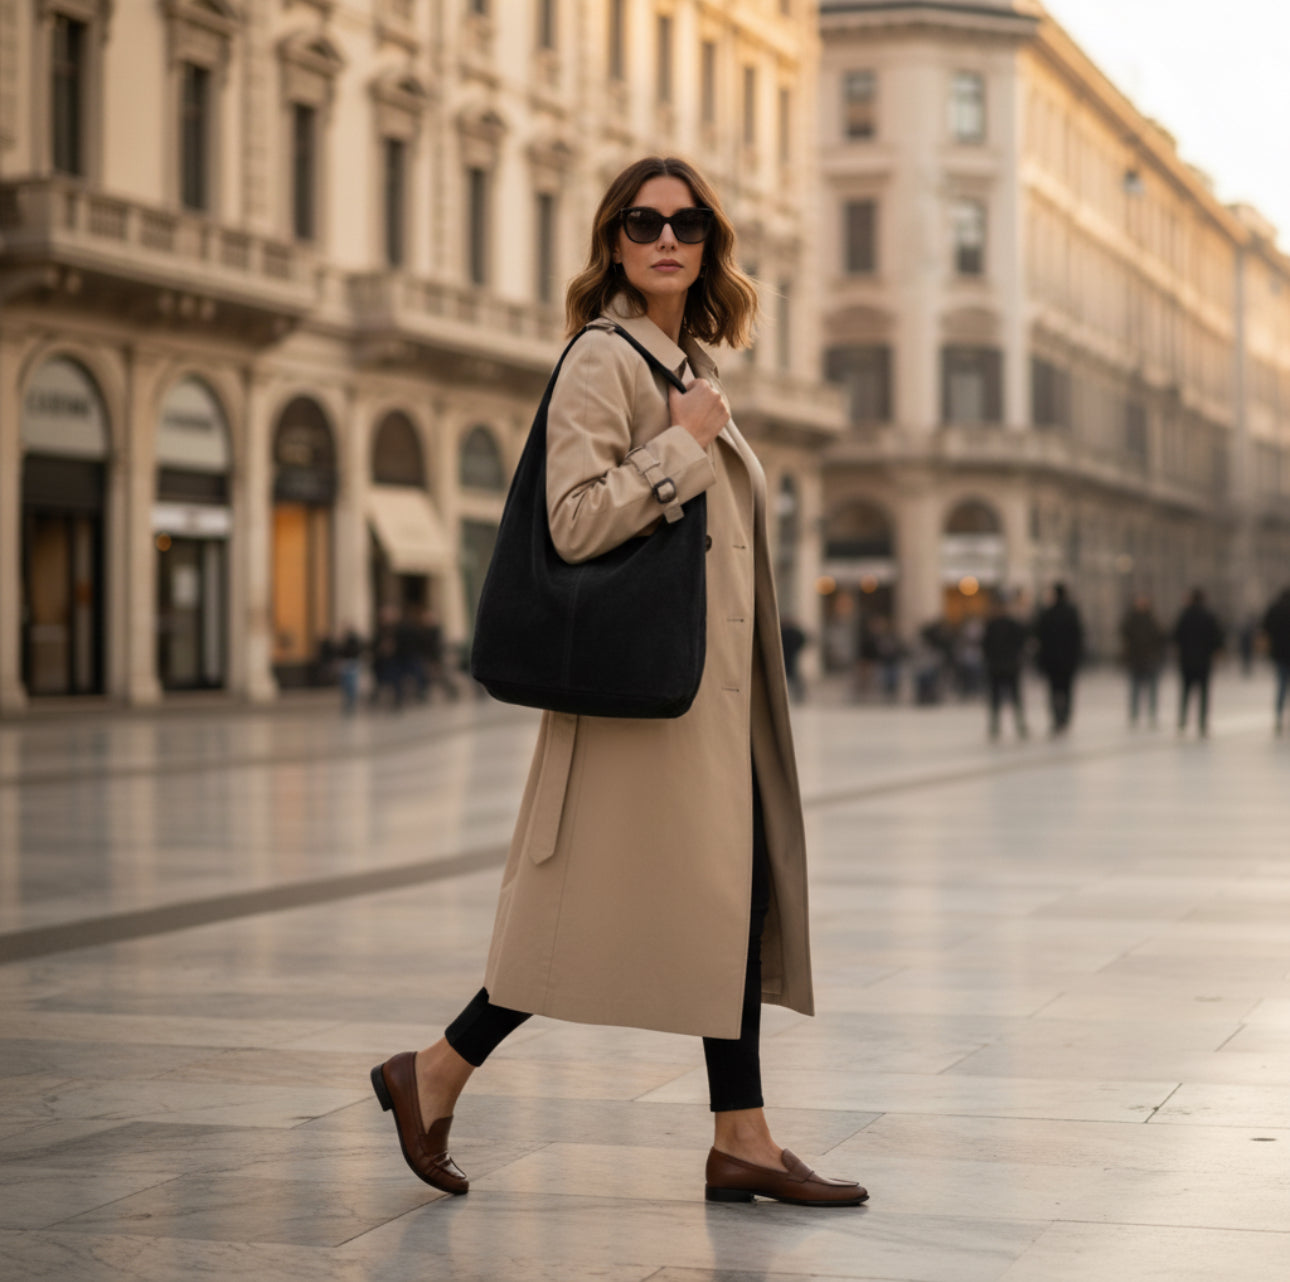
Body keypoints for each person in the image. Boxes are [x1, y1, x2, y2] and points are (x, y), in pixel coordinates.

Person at [369, 157, 865, 1208]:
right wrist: (680, 452)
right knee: (584, 919)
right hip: (650, 706)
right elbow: (576, 520)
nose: (666, 237)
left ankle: (743, 1137)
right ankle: (439, 1069)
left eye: (687, 222)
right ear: (615, 241)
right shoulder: (605, 359)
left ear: (710, 243)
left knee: (719, 910)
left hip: (704, 705)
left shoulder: (680, 365)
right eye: (643, 221)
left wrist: (692, 431)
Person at [1173, 588, 1224, 737]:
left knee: (1185, 692)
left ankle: (1183, 720)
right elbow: (1217, 637)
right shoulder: (1209, 616)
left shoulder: (1184, 615)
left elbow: (1176, 636)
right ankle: (1202, 722)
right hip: (1204, 661)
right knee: (1204, 693)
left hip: (1186, 661)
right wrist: (1216, 652)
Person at [1034, 582, 1083, 735]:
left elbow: (1039, 636)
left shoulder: (1047, 613)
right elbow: (1078, 637)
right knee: (1067, 690)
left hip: (1052, 661)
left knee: (1054, 691)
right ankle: (1065, 718)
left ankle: (1057, 718)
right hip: (1067, 661)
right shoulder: (1071, 612)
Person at [982, 593, 1028, 740]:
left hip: (1006, 665)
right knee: (999, 697)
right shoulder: (993, 625)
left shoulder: (1005, 624)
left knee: (1012, 696)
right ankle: (997, 724)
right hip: (1001, 666)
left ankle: (1018, 723)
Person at [1118, 595, 1166, 728]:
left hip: (1150, 659)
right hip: (1136, 659)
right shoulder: (1131, 620)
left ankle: (1152, 712)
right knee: (1135, 688)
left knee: (1152, 688)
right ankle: (1134, 713)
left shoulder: (1152, 620)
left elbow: (1160, 637)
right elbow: (1124, 634)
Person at [1262, 586, 1290, 735]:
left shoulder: (1275, 609)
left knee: (1281, 685)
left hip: (1279, 654)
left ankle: (1279, 716)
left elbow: (1265, 628)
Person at [779, 616, 808, 703]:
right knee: (793, 675)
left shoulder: (785, 631)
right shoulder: (790, 631)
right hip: (790, 655)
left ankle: (798, 695)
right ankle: (798, 695)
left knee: (792, 675)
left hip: (788, 655)